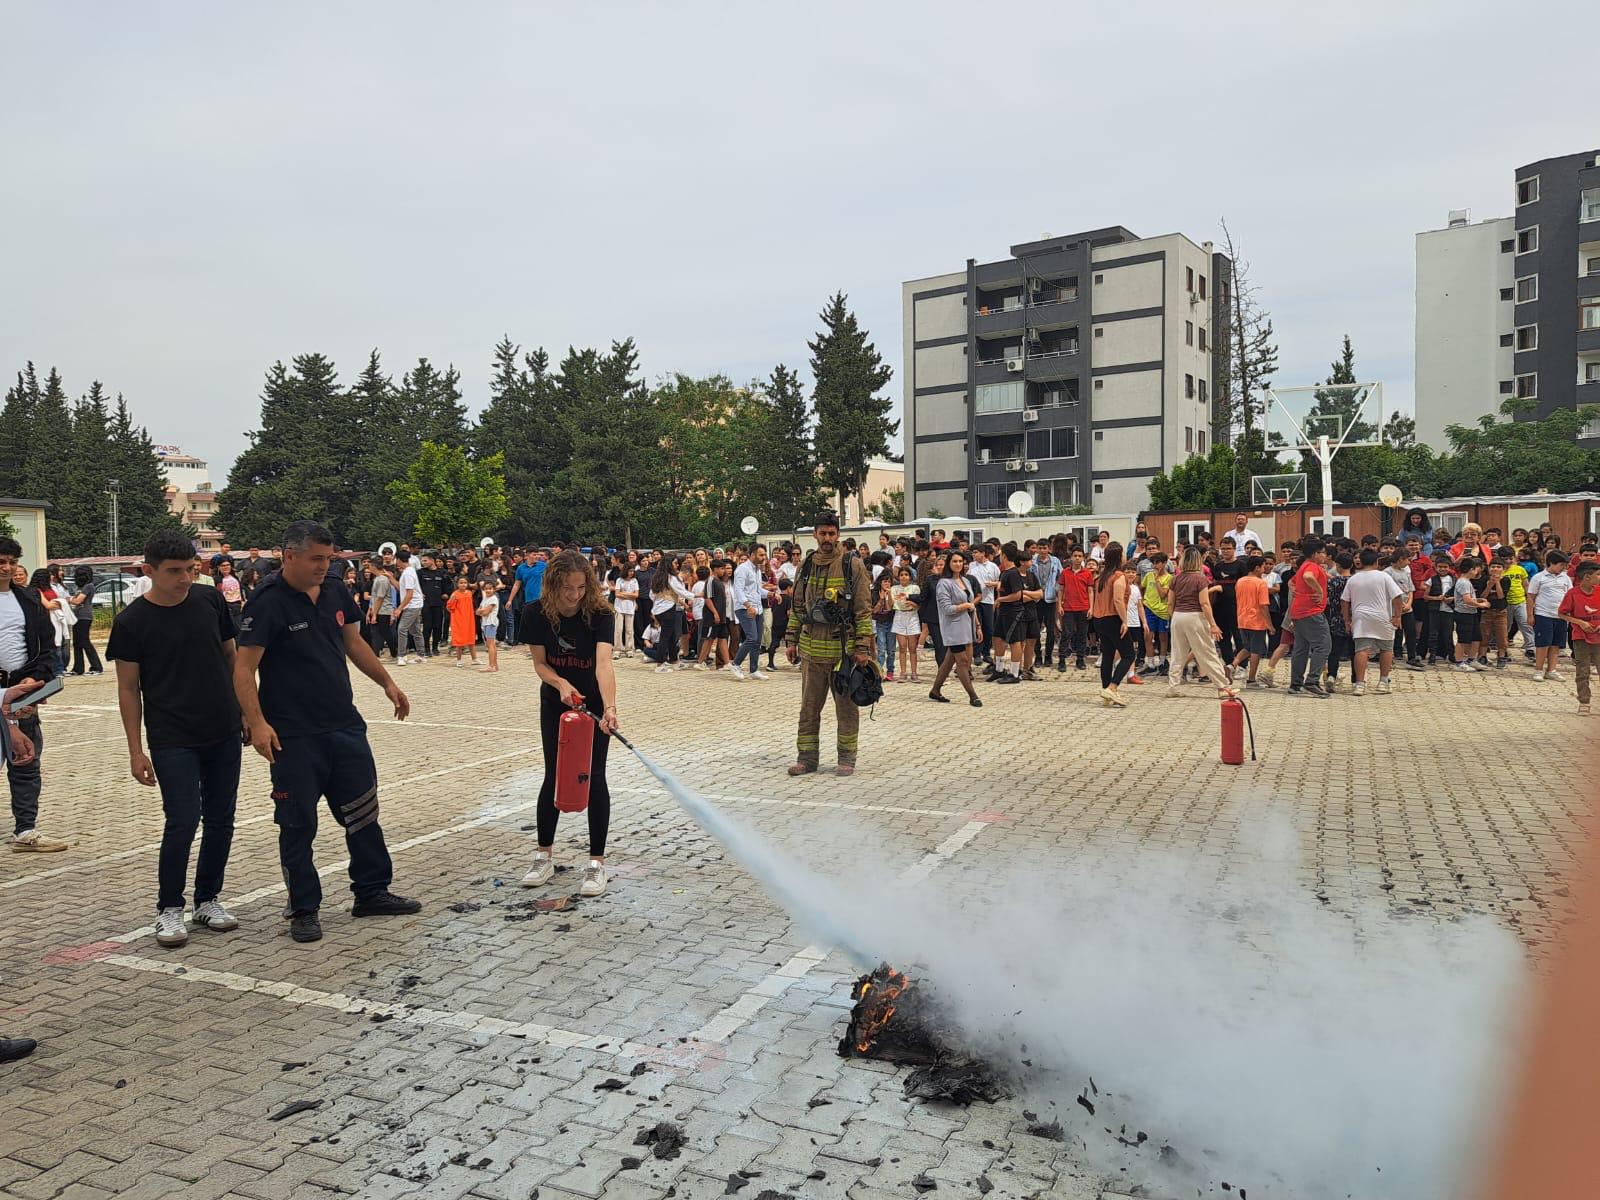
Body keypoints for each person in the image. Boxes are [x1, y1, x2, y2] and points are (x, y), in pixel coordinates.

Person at [233, 520, 421, 944]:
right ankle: (303, 909)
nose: (324, 566)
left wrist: (387, 683)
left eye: (329, 558)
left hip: (344, 725)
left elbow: (354, 643)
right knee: (297, 824)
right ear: (289, 556)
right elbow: (243, 669)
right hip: (293, 736)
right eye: (316, 559)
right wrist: (258, 723)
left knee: (363, 814)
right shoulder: (267, 601)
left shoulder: (335, 589)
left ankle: (371, 892)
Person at [109, 530, 243, 948]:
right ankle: (169, 908)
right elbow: (128, 689)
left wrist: (249, 712)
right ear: (148, 571)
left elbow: (232, 656)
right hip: (172, 737)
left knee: (221, 819)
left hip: (223, 729)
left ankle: (208, 900)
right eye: (174, 571)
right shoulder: (131, 622)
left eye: (191, 569)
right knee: (183, 819)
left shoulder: (209, 600)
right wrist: (136, 750)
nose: (185, 578)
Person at [520, 551, 621, 896]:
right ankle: (543, 855)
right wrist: (561, 684)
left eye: (580, 587)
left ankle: (596, 864)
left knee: (594, 776)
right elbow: (540, 664)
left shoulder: (600, 614)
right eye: (567, 588)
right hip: (555, 704)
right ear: (552, 585)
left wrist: (609, 708)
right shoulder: (534, 614)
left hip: (593, 703)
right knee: (555, 774)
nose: (574, 595)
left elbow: (604, 663)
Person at [783, 513, 874, 777]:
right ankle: (807, 759)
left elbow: (863, 611)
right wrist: (791, 640)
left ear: (838, 535)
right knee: (809, 709)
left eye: (832, 534)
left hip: (843, 653)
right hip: (811, 652)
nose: (827, 539)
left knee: (846, 709)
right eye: (823, 534)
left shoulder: (852, 565)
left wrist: (862, 648)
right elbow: (797, 606)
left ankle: (846, 759)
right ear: (814, 534)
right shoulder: (806, 565)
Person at [0, 539, 62, 853]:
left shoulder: (28, 599)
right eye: (0, 561)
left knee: (26, 760)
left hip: (23, 693)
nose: (6, 567)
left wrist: (35, 678)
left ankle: (25, 830)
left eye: (11, 561)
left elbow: (48, 649)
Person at [1165, 547, 1235, 700]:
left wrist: (1175, 617)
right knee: (1207, 652)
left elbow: (1170, 603)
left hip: (1178, 616)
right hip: (1195, 616)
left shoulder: (1175, 579)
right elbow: (1204, 603)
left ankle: (1173, 686)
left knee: (1178, 653)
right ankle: (1223, 686)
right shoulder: (1200, 579)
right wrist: (1213, 624)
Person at [1342, 548, 1405, 696]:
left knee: (1362, 650)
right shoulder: (1384, 577)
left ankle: (1359, 684)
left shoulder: (1353, 578)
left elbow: (1344, 601)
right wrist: (1397, 616)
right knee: (1386, 649)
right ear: (1377, 562)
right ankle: (1383, 681)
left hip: (1361, 617)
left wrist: (1346, 620)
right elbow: (1397, 597)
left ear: (1360, 562)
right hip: (1382, 616)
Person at [928, 549, 982, 707]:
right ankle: (973, 696)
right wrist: (964, 606)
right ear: (949, 564)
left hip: (967, 625)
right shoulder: (943, 583)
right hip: (953, 628)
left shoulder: (966, 581)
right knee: (963, 661)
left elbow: (972, 605)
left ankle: (935, 690)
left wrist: (977, 625)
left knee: (948, 661)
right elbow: (946, 608)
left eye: (960, 561)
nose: (958, 564)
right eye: (955, 561)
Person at [1090, 542, 1135, 707]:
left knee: (1108, 655)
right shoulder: (1118, 576)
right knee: (1129, 654)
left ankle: (1106, 691)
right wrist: (1124, 620)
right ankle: (1113, 686)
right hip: (1113, 618)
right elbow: (1117, 599)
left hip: (1099, 619)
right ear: (1119, 556)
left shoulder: (1101, 576)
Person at [1287, 536, 1332, 699]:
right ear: (1315, 554)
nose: (1325, 556)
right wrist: (1319, 591)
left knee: (1301, 648)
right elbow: (1308, 577)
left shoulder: (1303, 566)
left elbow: (1291, 583)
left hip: (1298, 612)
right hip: (1311, 612)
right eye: (1323, 553)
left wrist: (1300, 593)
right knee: (1323, 646)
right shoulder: (1312, 566)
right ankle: (1312, 681)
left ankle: (1296, 684)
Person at [1557, 561, 1599, 716]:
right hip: (1581, 638)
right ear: (1587, 577)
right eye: (1597, 575)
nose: (1599, 578)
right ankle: (1584, 701)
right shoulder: (1572, 594)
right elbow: (1561, 613)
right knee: (1583, 671)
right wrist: (1580, 622)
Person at [1527, 552, 1573, 683]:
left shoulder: (1566, 578)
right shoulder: (1539, 578)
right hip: (1543, 615)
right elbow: (1530, 597)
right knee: (1543, 644)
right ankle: (1538, 670)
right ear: (1551, 563)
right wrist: (1530, 615)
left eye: (1565, 565)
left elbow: (1569, 595)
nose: (1563, 568)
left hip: (1561, 616)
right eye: (1561, 565)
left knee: (1556, 644)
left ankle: (1551, 670)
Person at [1232, 556, 1273, 687]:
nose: (1264, 568)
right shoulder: (1261, 583)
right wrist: (1269, 625)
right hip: (1257, 621)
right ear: (1257, 568)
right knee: (1256, 651)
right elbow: (1264, 606)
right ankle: (1251, 679)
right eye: (1263, 566)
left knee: (1247, 647)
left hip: (1242, 619)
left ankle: (1232, 665)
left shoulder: (1240, 581)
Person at [731, 544, 769, 681]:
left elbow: (758, 590)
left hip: (757, 608)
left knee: (757, 640)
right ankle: (735, 663)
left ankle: (754, 670)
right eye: (761, 555)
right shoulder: (742, 569)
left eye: (764, 554)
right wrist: (748, 606)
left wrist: (770, 593)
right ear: (752, 555)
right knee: (751, 637)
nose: (764, 557)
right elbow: (738, 590)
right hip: (744, 608)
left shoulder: (757, 570)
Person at [1452, 557, 1489, 672]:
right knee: (1463, 639)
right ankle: (1458, 662)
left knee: (1476, 637)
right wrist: (1481, 605)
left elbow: (1469, 598)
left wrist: (1478, 600)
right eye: (1476, 569)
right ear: (1471, 569)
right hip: (1464, 614)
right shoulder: (1463, 582)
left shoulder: (1467, 582)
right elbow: (1467, 600)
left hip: (1471, 613)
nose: (1477, 572)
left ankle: (1471, 660)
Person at [66, 566, 103, 676]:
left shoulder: (88, 586)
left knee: (85, 642)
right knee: (77, 643)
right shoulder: (81, 587)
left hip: (84, 617)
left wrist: (68, 600)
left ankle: (96, 667)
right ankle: (78, 668)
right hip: (77, 617)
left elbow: (78, 601)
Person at [890, 564, 921, 683]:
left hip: (912, 616)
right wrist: (888, 594)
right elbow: (891, 604)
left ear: (910, 576)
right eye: (901, 575)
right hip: (899, 615)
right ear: (898, 577)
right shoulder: (894, 589)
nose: (903, 577)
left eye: (906, 575)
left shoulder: (915, 588)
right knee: (902, 647)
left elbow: (918, 604)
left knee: (912, 648)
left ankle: (914, 672)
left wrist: (912, 604)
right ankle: (903, 672)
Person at [393, 550, 425, 664]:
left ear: (399, 560)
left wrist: (399, 608)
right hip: (413, 604)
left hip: (412, 605)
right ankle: (421, 655)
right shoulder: (407, 571)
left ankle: (401, 656)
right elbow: (401, 588)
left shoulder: (408, 573)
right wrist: (391, 579)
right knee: (415, 630)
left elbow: (409, 594)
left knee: (402, 629)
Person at [418, 552, 447, 658]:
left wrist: (446, 594)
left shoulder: (442, 573)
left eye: (425, 560)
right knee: (427, 626)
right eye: (422, 560)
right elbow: (415, 586)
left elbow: (447, 587)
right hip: (426, 604)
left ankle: (435, 647)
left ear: (432, 560)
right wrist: (419, 593)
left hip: (438, 603)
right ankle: (426, 648)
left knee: (437, 626)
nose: (423, 562)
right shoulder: (420, 573)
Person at [445, 575, 478, 666]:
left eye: (464, 583)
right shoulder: (455, 594)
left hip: (469, 619)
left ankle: (474, 659)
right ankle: (459, 660)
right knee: (459, 641)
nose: (463, 584)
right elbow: (448, 607)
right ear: (457, 584)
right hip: (458, 620)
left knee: (471, 639)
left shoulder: (469, 593)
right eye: (461, 583)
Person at [870, 570, 897, 682]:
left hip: (892, 623)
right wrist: (881, 599)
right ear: (880, 582)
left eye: (889, 582)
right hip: (880, 623)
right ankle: (880, 672)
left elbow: (891, 607)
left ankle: (890, 671)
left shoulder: (893, 591)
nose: (887, 584)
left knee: (891, 650)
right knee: (881, 649)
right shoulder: (874, 593)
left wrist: (889, 593)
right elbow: (874, 611)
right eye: (885, 581)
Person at [476, 573, 501, 673]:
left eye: (490, 589)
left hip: (490, 623)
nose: (488, 590)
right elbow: (478, 611)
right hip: (485, 623)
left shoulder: (493, 599)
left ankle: (491, 665)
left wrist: (482, 611)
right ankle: (495, 665)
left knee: (490, 645)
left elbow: (485, 612)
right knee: (491, 645)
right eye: (486, 589)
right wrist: (481, 611)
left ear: (494, 589)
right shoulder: (485, 599)